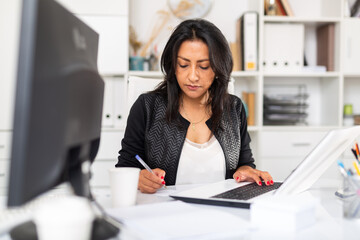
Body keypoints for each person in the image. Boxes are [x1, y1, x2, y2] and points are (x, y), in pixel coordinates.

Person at [116, 19, 273, 193]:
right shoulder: (147, 107)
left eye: (204, 66)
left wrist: (245, 171)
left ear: (218, 67)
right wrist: (139, 178)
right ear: (173, 65)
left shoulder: (234, 108)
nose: (192, 76)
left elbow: (244, 163)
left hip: (221, 213)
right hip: (165, 213)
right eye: (183, 65)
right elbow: (126, 167)